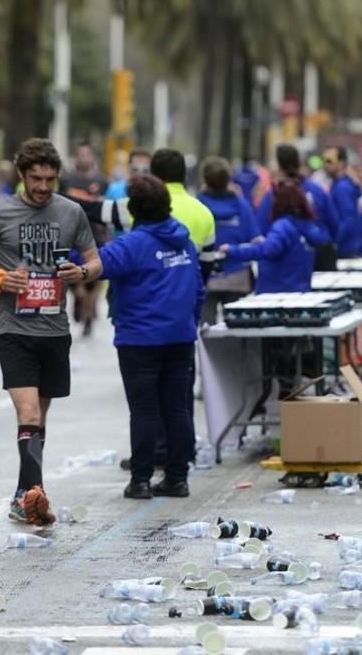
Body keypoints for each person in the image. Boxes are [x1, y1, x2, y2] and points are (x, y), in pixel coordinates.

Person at [0, 138, 101, 526]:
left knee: (38, 418)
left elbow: (94, 260)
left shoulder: (71, 212)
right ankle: (36, 497)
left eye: (50, 179)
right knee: (27, 411)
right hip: (15, 328)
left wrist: (82, 273)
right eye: (35, 178)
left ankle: (23, 493)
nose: (42, 186)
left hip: (55, 329)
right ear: (21, 175)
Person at [99, 175, 203, 499]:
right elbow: (198, 289)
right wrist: (189, 322)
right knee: (177, 410)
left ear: (134, 209)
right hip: (180, 336)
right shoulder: (184, 242)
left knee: (144, 411)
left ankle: (141, 479)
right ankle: (178, 478)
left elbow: (93, 265)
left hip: (139, 340)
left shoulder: (130, 244)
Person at [221, 177, 330, 293]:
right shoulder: (309, 227)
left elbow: (266, 250)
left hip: (276, 295)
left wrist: (232, 250)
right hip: (301, 292)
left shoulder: (283, 227)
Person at [197, 157, 260, 322]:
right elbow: (256, 240)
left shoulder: (198, 205)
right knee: (237, 330)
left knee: (205, 329)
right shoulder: (241, 205)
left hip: (206, 276)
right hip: (238, 276)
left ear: (205, 179)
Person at [59, 142, 110, 337]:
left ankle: (89, 317)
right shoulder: (67, 179)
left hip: (96, 233)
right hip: (70, 233)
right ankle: (78, 298)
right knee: (70, 275)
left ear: (93, 157)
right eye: (80, 154)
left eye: (87, 154)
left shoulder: (102, 181)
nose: (84, 158)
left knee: (93, 278)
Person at [151, 149, 217, 279]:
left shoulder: (137, 205)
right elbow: (207, 264)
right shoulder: (204, 212)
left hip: (146, 292)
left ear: (153, 175)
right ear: (184, 175)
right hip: (186, 292)